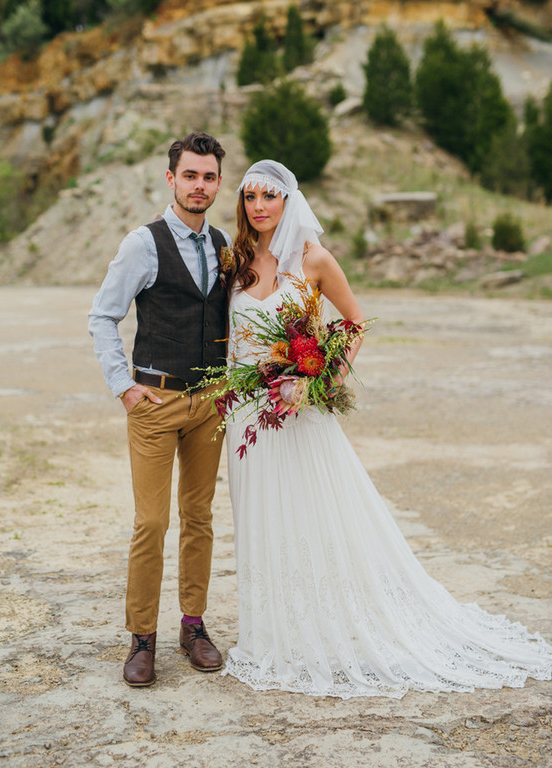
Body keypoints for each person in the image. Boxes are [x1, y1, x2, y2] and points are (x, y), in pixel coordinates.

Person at [222, 159, 552, 699]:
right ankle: (273, 631)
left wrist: (323, 377)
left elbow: (354, 322)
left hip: (300, 413)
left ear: (289, 201)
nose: (259, 206)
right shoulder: (235, 262)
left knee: (314, 514)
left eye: (269, 196)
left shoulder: (313, 259)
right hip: (249, 422)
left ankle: (326, 628)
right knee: (262, 515)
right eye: (251, 197)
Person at [88, 132, 231, 687]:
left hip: (210, 403)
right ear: (171, 178)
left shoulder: (224, 243)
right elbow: (104, 316)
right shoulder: (141, 244)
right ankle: (141, 636)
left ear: (219, 182)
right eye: (190, 175)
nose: (200, 185)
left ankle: (192, 626)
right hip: (155, 399)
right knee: (151, 522)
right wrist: (123, 386)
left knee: (199, 519)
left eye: (209, 176)